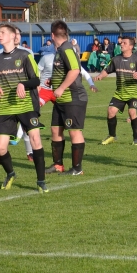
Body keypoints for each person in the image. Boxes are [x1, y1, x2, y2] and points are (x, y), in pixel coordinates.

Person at [0, 23, 48, 193]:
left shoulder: (25, 56)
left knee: (35, 140)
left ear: (11, 36)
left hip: (26, 105)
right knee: (0, 147)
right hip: (6, 107)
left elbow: (36, 80)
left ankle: (41, 180)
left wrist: (23, 84)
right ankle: (10, 173)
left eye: (2, 33)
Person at [43, 20, 90, 176]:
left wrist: (61, 87)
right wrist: (54, 80)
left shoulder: (67, 49)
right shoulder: (60, 50)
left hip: (73, 98)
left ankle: (77, 168)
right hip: (62, 100)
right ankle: (58, 165)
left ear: (52, 35)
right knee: (55, 130)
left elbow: (75, 70)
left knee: (74, 132)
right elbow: (65, 71)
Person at [0, 27, 34, 159]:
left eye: (19, 34)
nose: (17, 36)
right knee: (5, 128)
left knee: (27, 128)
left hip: (23, 98)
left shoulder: (27, 52)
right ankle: (2, 152)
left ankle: (29, 152)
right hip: (7, 97)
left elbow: (34, 77)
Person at [95, 36, 137, 145]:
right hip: (119, 93)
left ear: (131, 46)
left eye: (124, 43)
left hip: (134, 93)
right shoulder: (116, 59)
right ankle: (112, 136)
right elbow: (107, 70)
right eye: (121, 43)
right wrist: (100, 76)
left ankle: (136, 139)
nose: (121, 44)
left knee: (132, 112)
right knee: (111, 111)